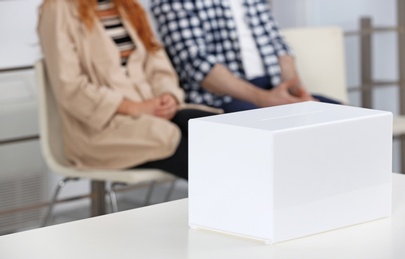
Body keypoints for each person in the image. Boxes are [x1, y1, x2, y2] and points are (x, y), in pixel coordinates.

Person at [38, 0, 219, 180]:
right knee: (170, 139)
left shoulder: (127, 4)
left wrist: (168, 95)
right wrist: (134, 108)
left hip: (151, 110)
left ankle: (233, 204)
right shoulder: (57, 8)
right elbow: (70, 88)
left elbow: (157, 63)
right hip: (102, 128)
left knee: (213, 127)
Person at [151, 0, 339, 113]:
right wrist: (262, 99)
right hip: (219, 100)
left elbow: (278, 43)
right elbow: (196, 63)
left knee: (346, 116)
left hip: (274, 88)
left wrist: (298, 92)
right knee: (281, 135)